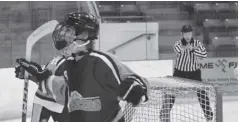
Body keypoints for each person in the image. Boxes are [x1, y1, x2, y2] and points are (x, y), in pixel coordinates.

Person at [160, 25, 213, 122]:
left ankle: (208, 115)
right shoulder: (178, 43)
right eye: (186, 34)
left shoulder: (197, 43)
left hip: (194, 72)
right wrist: (185, 48)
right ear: (182, 34)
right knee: (171, 92)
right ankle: (164, 114)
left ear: (191, 33)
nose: (188, 36)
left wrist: (193, 49)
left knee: (202, 93)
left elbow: (204, 55)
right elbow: (178, 51)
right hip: (180, 72)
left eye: (189, 33)